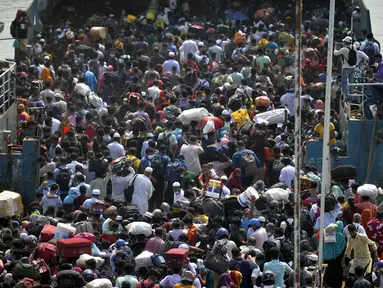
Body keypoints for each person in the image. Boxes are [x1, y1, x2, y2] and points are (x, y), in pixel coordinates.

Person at [323, 221, 346, 288]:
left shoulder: (328, 234)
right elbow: (343, 247)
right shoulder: (341, 236)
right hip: (337, 259)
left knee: (327, 274)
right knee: (336, 275)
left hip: (327, 258)